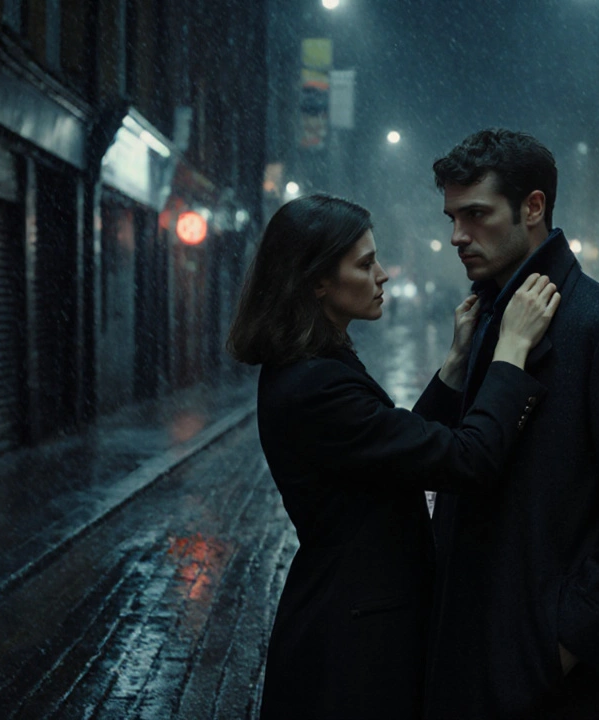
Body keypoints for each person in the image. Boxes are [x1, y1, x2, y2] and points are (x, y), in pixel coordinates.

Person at [225, 193, 559, 720]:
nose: (382, 275)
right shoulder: (314, 384)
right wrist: (510, 352)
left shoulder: (312, 367)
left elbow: (391, 451)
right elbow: (467, 459)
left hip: (351, 621)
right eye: (364, 264)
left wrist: (453, 367)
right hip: (355, 642)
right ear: (316, 281)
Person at [417, 129, 599, 719]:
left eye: (476, 215)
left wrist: (560, 644)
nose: (457, 237)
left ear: (533, 207)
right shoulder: (491, 318)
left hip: (554, 686)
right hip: (475, 657)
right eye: (451, 217)